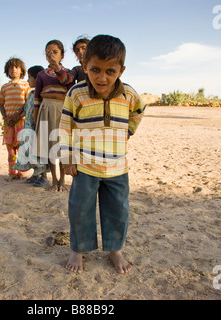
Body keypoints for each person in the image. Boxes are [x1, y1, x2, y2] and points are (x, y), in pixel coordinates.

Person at [59, 35, 145, 274]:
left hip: (118, 167)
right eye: (95, 69)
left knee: (118, 210)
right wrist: (67, 159)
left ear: (121, 70)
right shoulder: (76, 93)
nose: (102, 77)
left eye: (110, 71)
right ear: (85, 66)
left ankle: (115, 249)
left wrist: (129, 129)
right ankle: (78, 250)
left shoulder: (128, 94)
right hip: (85, 166)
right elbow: (65, 126)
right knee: (80, 209)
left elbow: (139, 109)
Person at [33, 40, 74, 191]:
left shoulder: (68, 73)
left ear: (62, 55)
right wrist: (35, 115)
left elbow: (69, 89)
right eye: (48, 52)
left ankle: (63, 181)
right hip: (46, 110)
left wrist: (57, 66)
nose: (51, 55)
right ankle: (54, 181)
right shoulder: (41, 75)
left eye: (55, 52)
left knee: (61, 146)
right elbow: (37, 97)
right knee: (49, 147)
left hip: (62, 111)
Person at [12, 65, 48, 185]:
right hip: (28, 129)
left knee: (39, 152)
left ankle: (43, 176)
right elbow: (25, 108)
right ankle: (35, 174)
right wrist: (17, 114)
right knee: (31, 152)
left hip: (37, 128)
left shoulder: (42, 94)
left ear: (38, 78)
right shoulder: (31, 94)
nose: (28, 80)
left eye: (30, 77)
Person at [0, 57, 31, 180]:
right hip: (8, 123)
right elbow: (1, 103)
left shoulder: (26, 85)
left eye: (16, 67)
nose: (13, 70)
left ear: (21, 70)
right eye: (10, 68)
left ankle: (21, 172)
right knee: (10, 149)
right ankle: (12, 172)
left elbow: (28, 104)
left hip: (21, 121)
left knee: (21, 147)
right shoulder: (5, 87)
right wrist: (5, 117)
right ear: (7, 71)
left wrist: (19, 116)